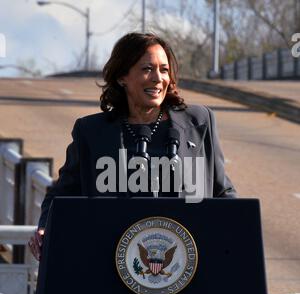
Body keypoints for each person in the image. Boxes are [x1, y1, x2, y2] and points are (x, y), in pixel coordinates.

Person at [28, 32, 236, 260]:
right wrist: (45, 227)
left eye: (164, 70)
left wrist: (237, 234)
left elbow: (222, 191)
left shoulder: (199, 122)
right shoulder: (91, 132)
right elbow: (61, 195)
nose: (158, 78)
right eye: (147, 69)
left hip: (187, 262)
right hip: (115, 262)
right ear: (121, 77)